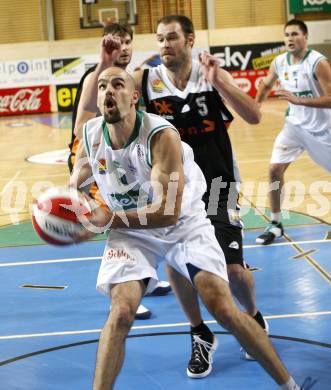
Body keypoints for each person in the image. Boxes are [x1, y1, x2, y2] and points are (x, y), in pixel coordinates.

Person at [71, 65, 308, 390]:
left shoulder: (160, 135)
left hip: (182, 221)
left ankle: (289, 385)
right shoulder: (90, 135)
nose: (108, 91)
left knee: (223, 308)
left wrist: (106, 220)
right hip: (130, 228)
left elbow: (166, 214)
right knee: (121, 312)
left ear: (135, 96)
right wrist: (67, 208)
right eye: (101, 86)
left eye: (117, 84)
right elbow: (78, 184)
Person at [132, 14, 269, 373]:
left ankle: (253, 316)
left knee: (233, 270)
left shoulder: (210, 76)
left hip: (219, 184)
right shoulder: (145, 80)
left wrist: (218, 82)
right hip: (173, 190)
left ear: (190, 40)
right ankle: (199, 331)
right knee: (178, 265)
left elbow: (254, 115)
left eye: (172, 37)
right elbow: (108, 105)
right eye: (160, 38)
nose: (165, 44)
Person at [69, 22, 171, 319]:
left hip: (126, 157)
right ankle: (126, 286)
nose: (123, 47)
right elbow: (80, 129)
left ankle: (142, 273)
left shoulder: (134, 77)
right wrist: (104, 61)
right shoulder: (97, 77)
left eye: (127, 41)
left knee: (141, 208)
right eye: (116, 42)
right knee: (117, 217)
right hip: (95, 158)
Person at [255, 19, 331, 245]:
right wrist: (256, 105)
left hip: (323, 130)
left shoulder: (318, 62)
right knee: (274, 169)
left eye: (295, 34)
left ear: (305, 37)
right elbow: (267, 84)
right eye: (287, 34)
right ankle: (276, 223)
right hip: (294, 127)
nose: (290, 38)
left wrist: (299, 100)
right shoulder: (279, 62)